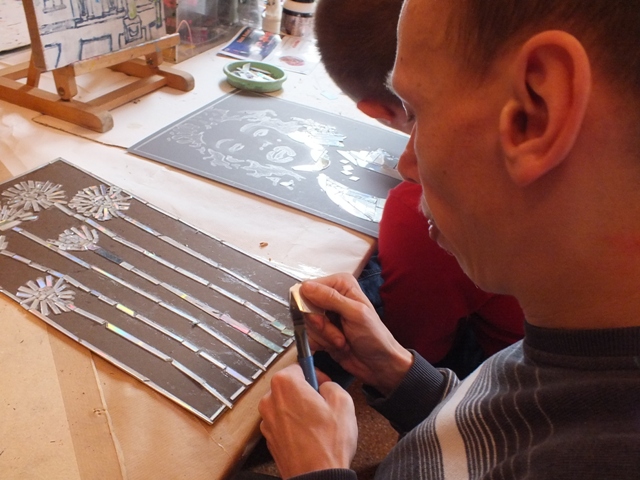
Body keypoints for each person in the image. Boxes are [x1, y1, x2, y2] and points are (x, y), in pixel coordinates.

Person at [257, 0, 640, 478]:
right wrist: (401, 374)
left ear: (538, 111)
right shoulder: (576, 333)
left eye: (417, 112)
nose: (406, 164)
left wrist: (318, 468)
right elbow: (491, 431)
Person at [314, 0, 524, 377]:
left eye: (418, 112)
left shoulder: (434, 207)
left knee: (360, 287)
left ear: (376, 111)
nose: (405, 166)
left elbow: (419, 348)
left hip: (495, 362)